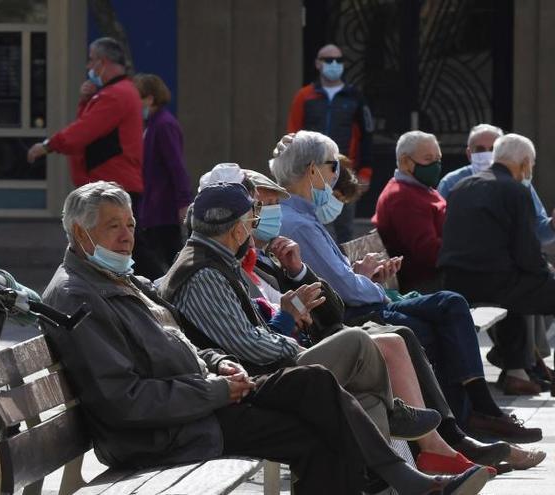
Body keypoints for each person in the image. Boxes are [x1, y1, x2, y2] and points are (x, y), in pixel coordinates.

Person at [42, 181, 488, 495]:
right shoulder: (78, 296)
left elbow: (186, 344)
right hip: (168, 431)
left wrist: (216, 364)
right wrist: (215, 388)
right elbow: (125, 400)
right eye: (112, 227)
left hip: (203, 403)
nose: (126, 237)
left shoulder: (123, 279)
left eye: (130, 224)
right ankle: (408, 479)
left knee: (315, 393)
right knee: (319, 407)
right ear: (81, 234)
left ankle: (407, 478)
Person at [243, 169, 541, 472]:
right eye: (262, 205)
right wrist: (292, 312)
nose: (270, 213)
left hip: (325, 333)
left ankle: (446, 445)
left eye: (272, 204)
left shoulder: (275, 254)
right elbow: (262, 337)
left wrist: (298, 272)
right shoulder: (242, 262)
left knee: (406, 333)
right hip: (295, 357)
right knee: (406, 331)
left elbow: (330, 306)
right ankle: (454, 439)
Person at [27, 37, 163, 278]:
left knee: (121, 244)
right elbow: (89, 127)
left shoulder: (115, 95)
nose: (89, 67)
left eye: (91, 61)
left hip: (110, 186)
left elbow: (84, 131)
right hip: (112, 184)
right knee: (116, 244)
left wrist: (48, 145)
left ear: (103, 62)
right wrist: (85, 100)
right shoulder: (118, 93)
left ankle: (162, 292)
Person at [439, 134, 555, 397]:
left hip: (456, 280)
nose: (530, 171)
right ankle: (518, 366)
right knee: (536, 288)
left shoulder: (462, 186)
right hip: (493, 283)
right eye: (531, 166)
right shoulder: (516, 190)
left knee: (520, 294)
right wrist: (546, 274)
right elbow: (527, 253)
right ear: (525, 162)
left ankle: (516, 370)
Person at [287, 43, 374, 243]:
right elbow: (293, 135)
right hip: (310, 172)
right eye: (328, 60)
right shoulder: (304, 96)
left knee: (344, 230)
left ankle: (343, 271)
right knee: (310, 225)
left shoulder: (355, 97)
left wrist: (365, 172)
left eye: (339, 60)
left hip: (344, 172)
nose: (334, 64)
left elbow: (367, 136)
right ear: (318, 64)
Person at [438, 124, 555, 247]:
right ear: (469, 153)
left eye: (493, 149)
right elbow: (441, 230)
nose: (488, 154)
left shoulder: (518, 184)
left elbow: (537, 231)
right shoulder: (451, 183)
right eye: (480, 149)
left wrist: (552, 225)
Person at [373, 131, 446, 292]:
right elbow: (428, 253)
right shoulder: (402, 196)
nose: (436, 166)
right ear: (405, 161)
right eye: (428, 159)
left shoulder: (421, 188)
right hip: (423, 284)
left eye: (438, 159)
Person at [132, 73, 192, 268]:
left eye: (137, 98)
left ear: (149, 98)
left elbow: (176, 166)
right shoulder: (153, 125)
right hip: (153, 208)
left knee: (164, 262)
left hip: (163, 210)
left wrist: (183, 202)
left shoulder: (163, 125)